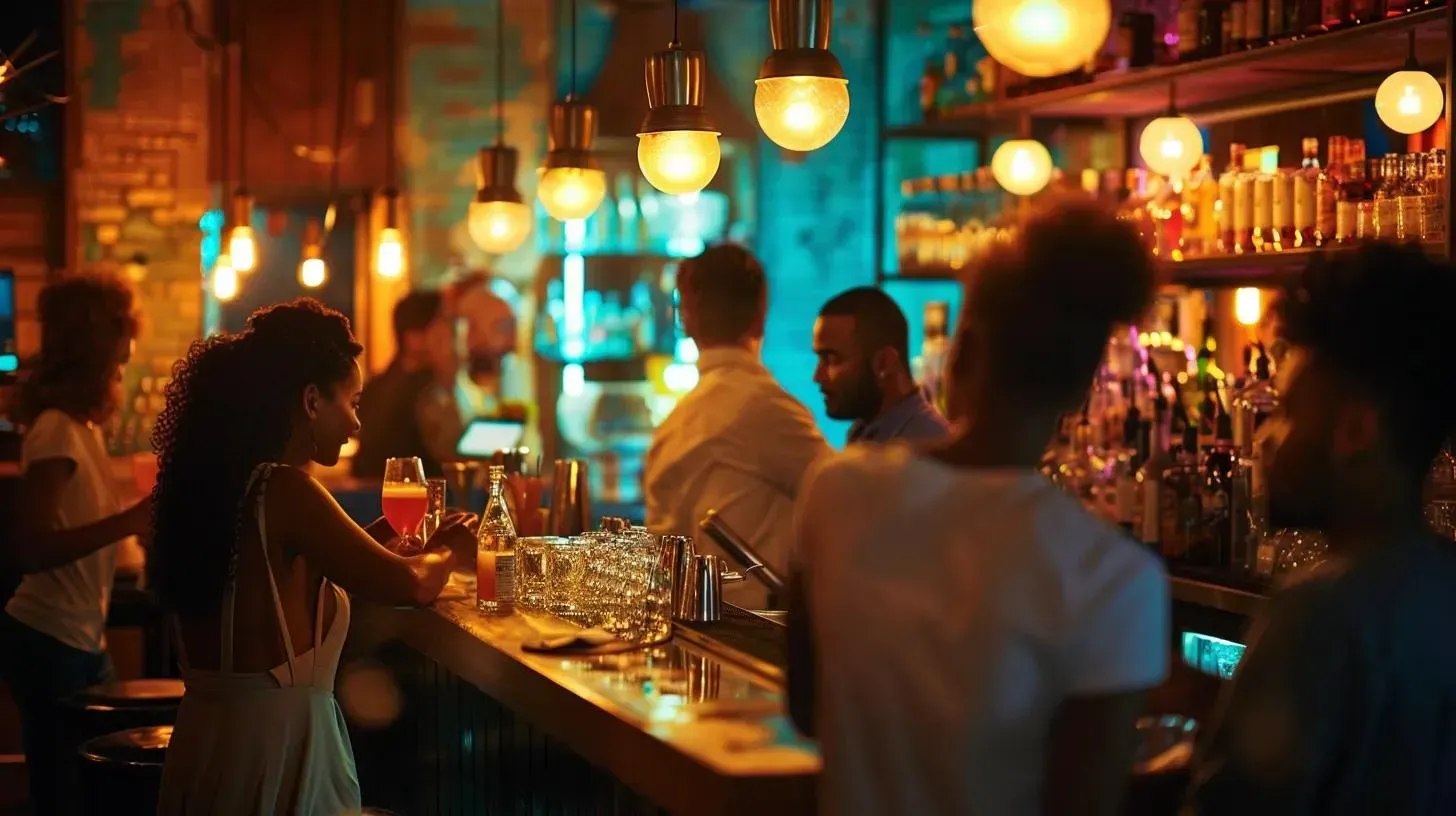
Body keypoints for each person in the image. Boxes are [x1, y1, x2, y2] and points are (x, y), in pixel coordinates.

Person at [789, 199, 1169, 815]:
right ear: (1080, 388)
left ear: (960, 355)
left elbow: (806, 707)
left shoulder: (837, 492)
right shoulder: (1115, 578)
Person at [150, 299, 472, 814]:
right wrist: (448, 551)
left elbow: (292, 564)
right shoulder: (285, 487)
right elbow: (408, 586)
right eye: (353, 401)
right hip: (277, 753)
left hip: (209, 744)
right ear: (311, 401)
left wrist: (388, 530)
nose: (356, 424)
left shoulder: (229, 484)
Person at [1186, 244, 1456, 816]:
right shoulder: (1439, 584)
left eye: (1287, 412)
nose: (1265, 439)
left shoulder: (1319, 612)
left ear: (1355, 430)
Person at [0, 276, 148, 814]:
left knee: (82, 789)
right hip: (47, 640)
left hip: (80, 639)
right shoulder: (56, 430)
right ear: (94, 353)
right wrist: (129, 520)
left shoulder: (83, 429)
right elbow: (30, 548)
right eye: (116, 363)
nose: (122, 372)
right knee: (64, 794)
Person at [646, 244, 831, 609]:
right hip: (754, 632)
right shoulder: (765, 408)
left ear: (687, 319)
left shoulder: (673, 425)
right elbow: (845, 497)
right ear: (761, 314)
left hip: (684, 625)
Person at [813, 287, 950, 444]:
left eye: (831, 360)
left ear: (883, 363)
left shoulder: (927, 447)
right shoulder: (865, 430)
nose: (817, 376)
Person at [352, 291, 450, 478]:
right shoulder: (412, 391)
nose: (449, 336)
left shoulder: (378, 385)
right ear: (413, 337)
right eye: (442, 326)